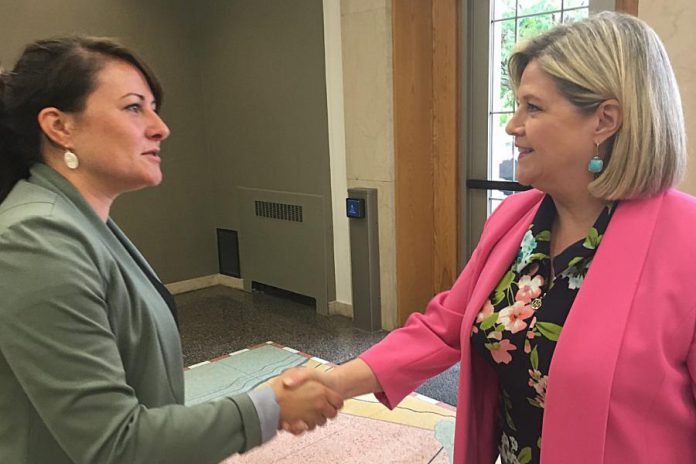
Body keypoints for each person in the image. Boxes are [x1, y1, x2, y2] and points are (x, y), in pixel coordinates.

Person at [282, 11, 696, 463]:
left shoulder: (685, 242)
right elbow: (444, 328)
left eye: (533, 108)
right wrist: (335, 383)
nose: (511, 125)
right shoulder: (516, 219)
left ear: (604, 121)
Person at [0, 36, 342, 464]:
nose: (160, 127)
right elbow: (116, 444)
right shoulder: (35, 239)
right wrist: (269, 407)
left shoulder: (77, 221)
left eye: (153, 108)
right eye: (133, 107)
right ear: (60, 126)